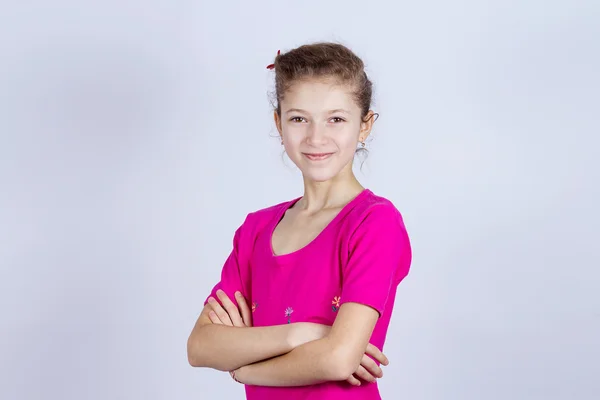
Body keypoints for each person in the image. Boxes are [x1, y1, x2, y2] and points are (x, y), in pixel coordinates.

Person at [187, 41, 412, 400]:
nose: (315, 137)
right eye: (298, 119)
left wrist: (246, 368)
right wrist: (304, 333)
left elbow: (339, 360)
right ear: (279, 122)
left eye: (336, 119)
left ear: (364, 125)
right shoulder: (255, 231)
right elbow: (200, 347)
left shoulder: (374, 223)